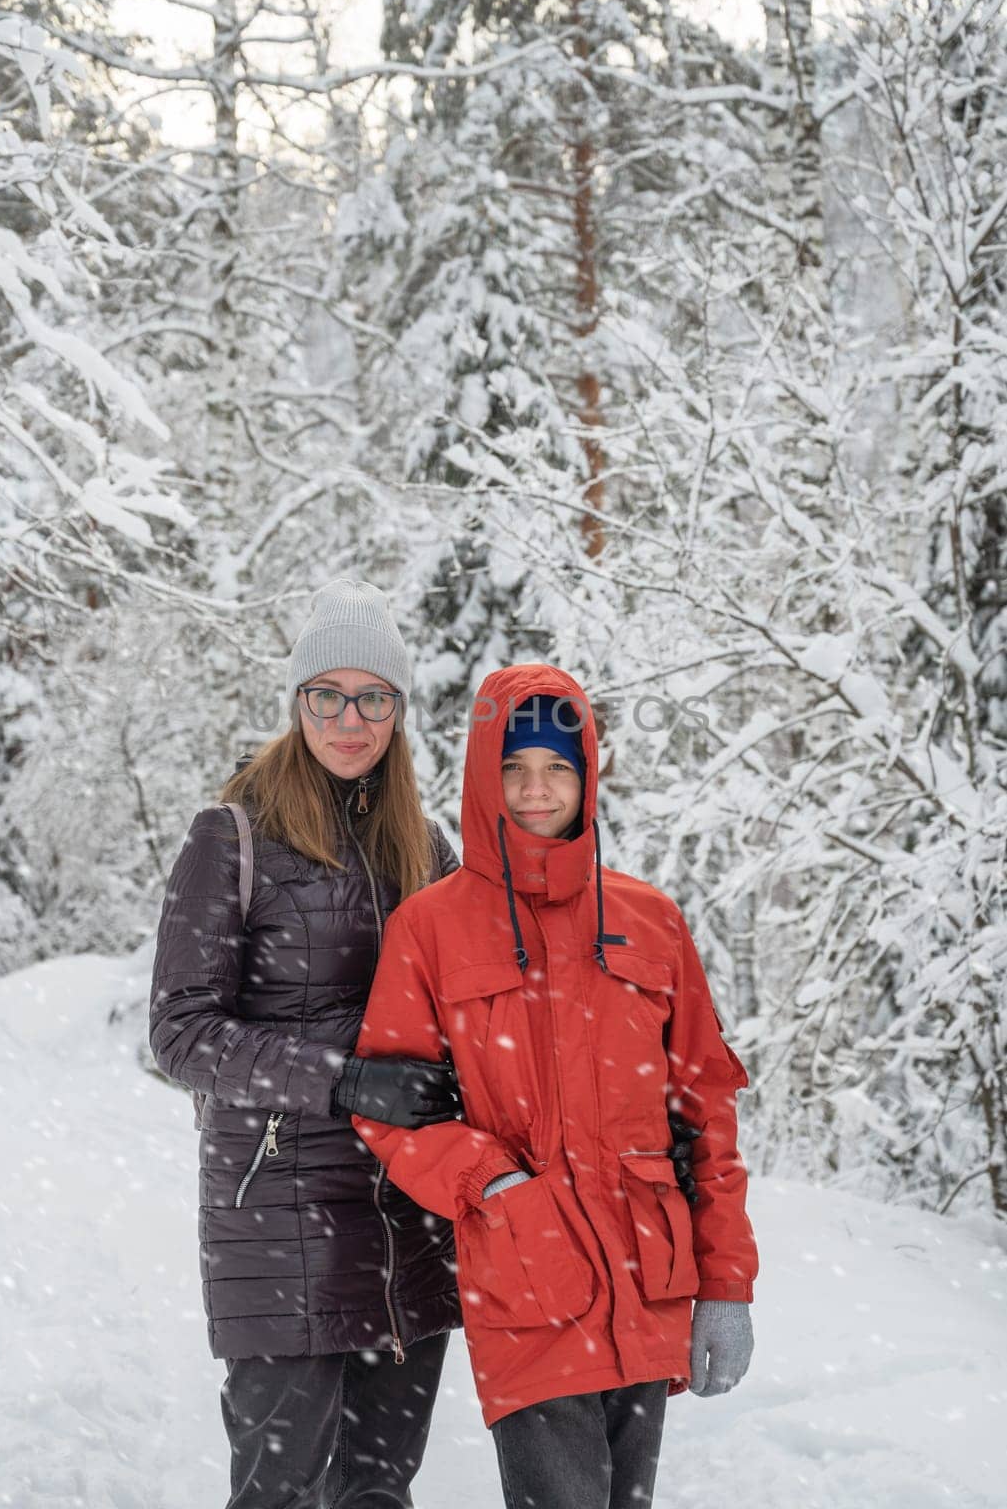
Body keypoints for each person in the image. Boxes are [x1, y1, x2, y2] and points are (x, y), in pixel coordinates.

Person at [353, 662, 758, 1509]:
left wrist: (724, 1286)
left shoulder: (649, 919)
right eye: (513, 769)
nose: (536, 790)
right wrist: (493, 1184)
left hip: (648, 1278)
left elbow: (704, 1114)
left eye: (557, 768)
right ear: (482, 775)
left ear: (587, 775)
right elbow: (389, 1112)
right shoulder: (429, 927)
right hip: (526, 1280)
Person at [149, 578, 465, 1509]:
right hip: (279, 1215)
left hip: (404, 1214)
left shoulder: (427, 846)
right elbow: (181, 1032)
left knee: (377, 1489)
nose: (348, 718)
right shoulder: (233, 835)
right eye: (326, 694)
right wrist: (344, 1081)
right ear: (296, 702)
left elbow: (481, 1007)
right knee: (281, 1491)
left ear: (399, 710)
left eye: (373, 696)